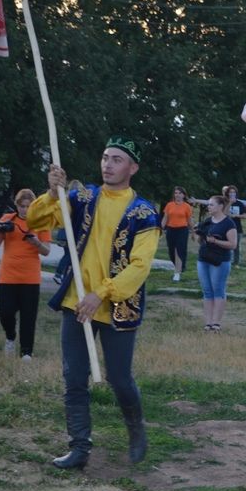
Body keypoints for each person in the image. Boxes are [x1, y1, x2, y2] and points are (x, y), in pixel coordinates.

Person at [28, 137, 159, 469]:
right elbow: (37, 221)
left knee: (119, 377)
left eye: (116, 159)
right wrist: (51, 192)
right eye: (104, 157)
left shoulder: (143, 213)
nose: (107, 164)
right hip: (77, 305)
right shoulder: (82, 196)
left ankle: (136, 429)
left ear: (133, 168)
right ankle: (79, 448)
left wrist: (100, 293)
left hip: (116, 306)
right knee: (74, 377)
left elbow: (139, 268)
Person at [0, 188, 52, 360]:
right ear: (16, 205)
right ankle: (10, 337)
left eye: (29, 206)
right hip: (8, 275)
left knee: (28, 316)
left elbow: (47, 251)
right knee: (5, 312)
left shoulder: (41, 222)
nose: (25, 209)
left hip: (30, 277)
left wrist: (36, 242)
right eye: (22, 206)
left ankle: (26, 352)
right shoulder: (7, 219)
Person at [196, 195, 237, 331]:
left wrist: (216, 241)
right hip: (203, 259)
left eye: (211, 204)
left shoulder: (228, 223)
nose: (208, 207)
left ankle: (216, 323)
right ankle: (208, 322)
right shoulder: (207, 221)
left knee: (218, 290)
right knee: (207, 291)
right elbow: (199, 240)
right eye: (208, 204)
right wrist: (198, 235)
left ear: (220, 206)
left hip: (219, 261)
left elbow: (233, 244)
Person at [160, 186, 193, 282]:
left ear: (183, 195)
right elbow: (165, 218)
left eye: (179, 193)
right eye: (176, 193)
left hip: (182, 230)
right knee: (171, 252)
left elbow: (189, 220)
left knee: (179, 250)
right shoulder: (169, 205)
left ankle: (177, 273)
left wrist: (193, 232)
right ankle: (180, 266)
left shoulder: (187, 206)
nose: (177, 195)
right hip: (171, 230)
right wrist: (160, 228)